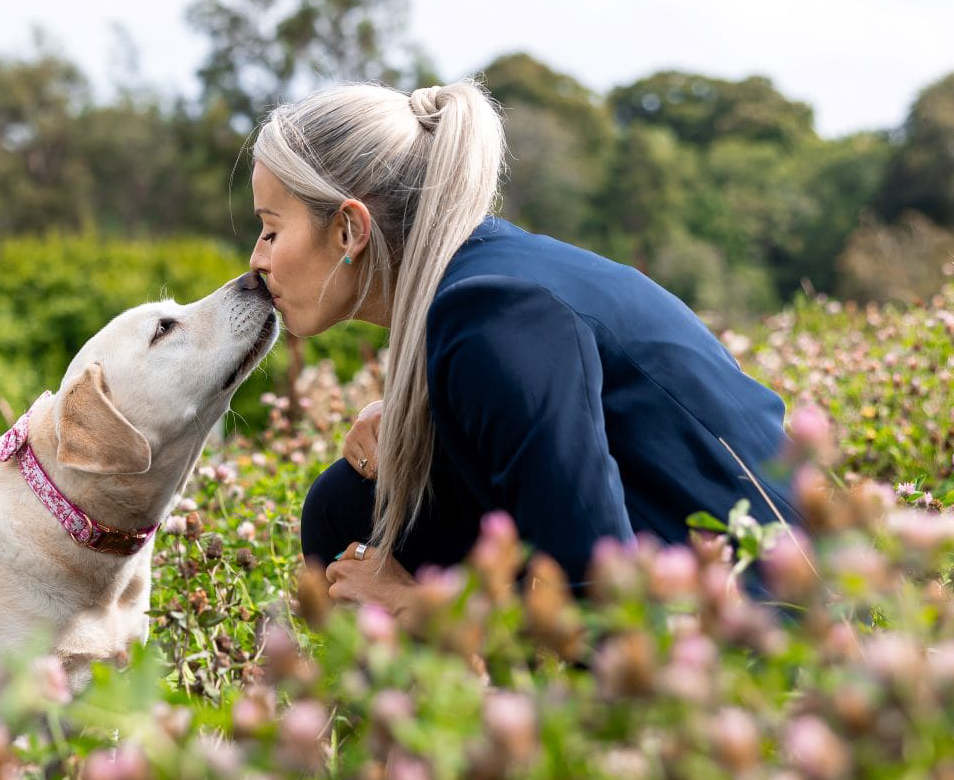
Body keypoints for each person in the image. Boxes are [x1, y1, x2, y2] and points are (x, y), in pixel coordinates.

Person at [245, 79, 801, 615]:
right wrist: (428, 416)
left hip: (758, 615)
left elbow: (601, 587)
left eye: (271, 229)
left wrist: (417, 609)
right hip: (736, 572)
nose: (257, 259)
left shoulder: (491, 315)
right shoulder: (486, 278)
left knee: (357, 523)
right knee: (347, 505)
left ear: (349, 230)